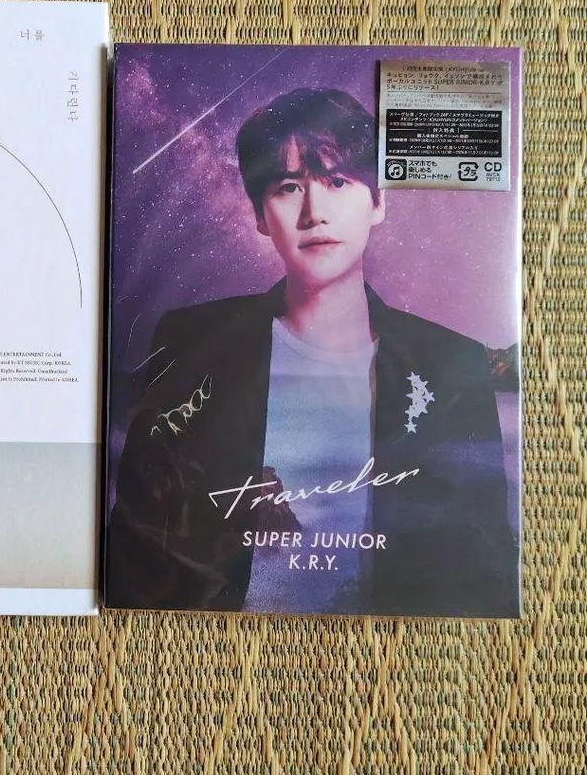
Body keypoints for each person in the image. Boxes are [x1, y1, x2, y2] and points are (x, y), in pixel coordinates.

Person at [106, 88, 517, 617]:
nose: (314, 213)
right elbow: (136, 547)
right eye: (287, 188)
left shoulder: (451, 364)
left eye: (337, 182)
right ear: (260, 215)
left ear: (378, 202)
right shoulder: (192, 341)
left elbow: (484, 573)